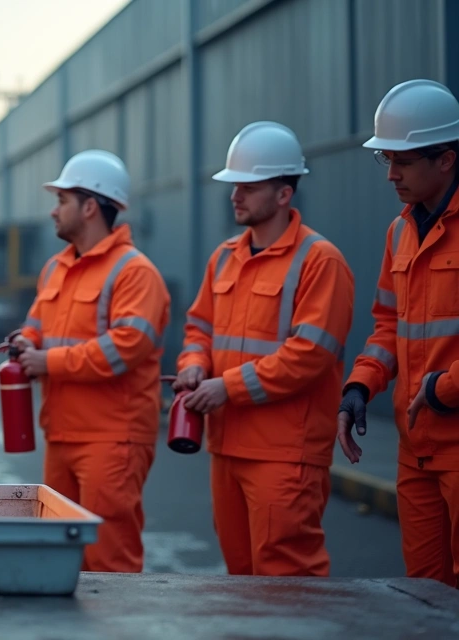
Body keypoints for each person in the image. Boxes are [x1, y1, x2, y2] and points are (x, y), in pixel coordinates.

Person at [176, 121, 354, 576]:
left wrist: (226, 388)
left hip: (284, 454)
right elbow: (198, 327)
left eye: (248, 187)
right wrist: (194, 364)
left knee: (286, 581)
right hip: (227, 447)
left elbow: (309, 355)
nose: (235, 195)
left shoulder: (320, 261)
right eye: (234, 185)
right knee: (241, 580)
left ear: (283, 194)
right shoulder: (224, 257)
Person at [12, 149, 169, 573]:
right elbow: (35, 326)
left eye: (62, 200)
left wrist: (48, 362)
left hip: (113, 438)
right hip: (62, 434)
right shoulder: (56, 268)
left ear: (90, 207)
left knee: (108, 559)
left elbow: (127, 347)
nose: (53, 210)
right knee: (58, 556)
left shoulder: (135, 273)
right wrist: (25, 342)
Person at [339, 79, 459, 587]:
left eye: (403, 162)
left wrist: (441, 388)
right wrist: (360, 386)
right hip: (417, 452)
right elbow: (389, 324)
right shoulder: (399, 232)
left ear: (446, 159)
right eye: (385, 160)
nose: (391, 174)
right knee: (424, 593)